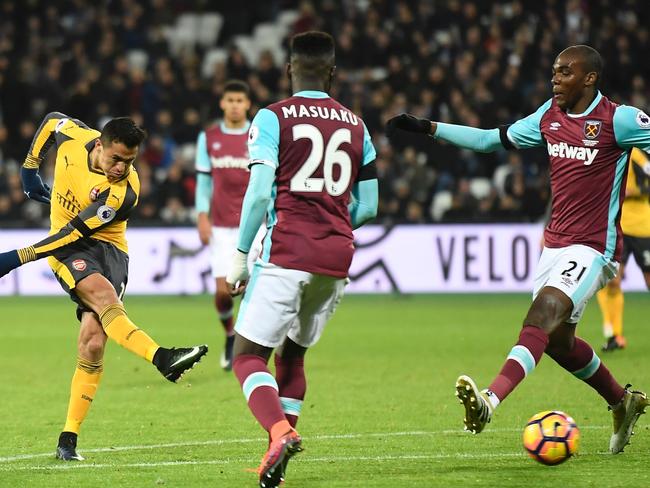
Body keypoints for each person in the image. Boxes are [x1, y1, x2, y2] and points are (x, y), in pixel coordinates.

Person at [386, 45, 649, 454]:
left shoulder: (620, 119)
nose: (555, 79)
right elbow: (491, 140)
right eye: (554, 72)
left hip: (595, 247)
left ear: (590, 78)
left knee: (543, 311)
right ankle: (622, 400)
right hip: (554, 245)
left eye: (564, 72)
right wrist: (429, 127)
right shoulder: (549, 116)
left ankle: (490, 401)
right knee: (559, 342)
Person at [0, 113, 208, 461]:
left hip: (108, 249)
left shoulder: (123, 193)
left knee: (93, 343)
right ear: (99, 145)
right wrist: (29, 168)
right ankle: (162, 358)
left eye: (129, 161)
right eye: (116, 159)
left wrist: (16, 258)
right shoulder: (75, 137)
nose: (121, 167)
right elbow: (52, 121)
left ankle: (68, 440)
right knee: (103, 297)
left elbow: (76, 229)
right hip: (68, 252)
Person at [226, 31, 378, 487]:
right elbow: (368, 206)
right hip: (336, 257)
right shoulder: (357, 126)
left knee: (247, 357)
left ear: (289, 68)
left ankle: (278, 432)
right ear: (332, 72)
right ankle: (281, 454)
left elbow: (258, 193)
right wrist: (332, 223)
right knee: (292, 359)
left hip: (287, 250)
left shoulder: (272, 118)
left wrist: (238, 255)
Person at [195, 80, 262, 371]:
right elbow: (203, 181)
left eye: (240, 100)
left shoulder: (259, 135)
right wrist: (201, 215)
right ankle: (229, 334)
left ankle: (250, 347)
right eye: (230, 99)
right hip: (221, 226)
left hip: (256, 224)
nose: (235, 104)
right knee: (223, 292)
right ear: (222, 103)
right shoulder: (208, 138)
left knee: (254, 289)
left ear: (248, 104)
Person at [597, 147, 650, 351]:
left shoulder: (638, 153)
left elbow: (645, 184)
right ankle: (614, 335)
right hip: (617, 227)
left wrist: (633, 192)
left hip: (643, 227)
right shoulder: (611, 148)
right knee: (612, 282)